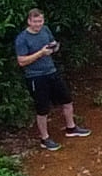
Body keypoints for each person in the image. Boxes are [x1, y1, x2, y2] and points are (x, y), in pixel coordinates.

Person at [13, 9, 87, 149]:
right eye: (35, 22)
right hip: (36, 76)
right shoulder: (22, 39)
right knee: (42, 108)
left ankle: (71, 128)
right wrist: (41, 53)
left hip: (51, 71)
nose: (38, 24)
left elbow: (53, 43)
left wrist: (54, 48)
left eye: (40, 21)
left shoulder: (45, 30)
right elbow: (21, 61)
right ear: (29, 21)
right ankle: (44, 138)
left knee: (67, 100)